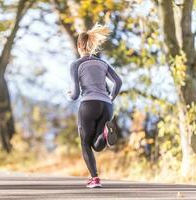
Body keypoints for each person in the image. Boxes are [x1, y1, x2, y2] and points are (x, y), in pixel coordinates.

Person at [67, 24, 122, 188]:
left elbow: (76, 94)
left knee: (85, 143)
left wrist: (68, 95)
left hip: (89, 104)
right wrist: (111, 97)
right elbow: (118, 82)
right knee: (97, 145)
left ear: (78, 45)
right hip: (106, 105)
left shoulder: (76, 64)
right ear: (92, 45)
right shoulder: (103, 63)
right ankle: (105, 132)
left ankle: (95, 179)